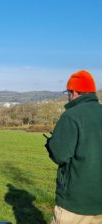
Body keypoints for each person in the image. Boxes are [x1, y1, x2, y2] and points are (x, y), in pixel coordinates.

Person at [45, 70, 102, 224]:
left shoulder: (71, 116)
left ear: (74, 92)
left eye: (68, 92)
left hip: (75, 204)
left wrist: (51, 144)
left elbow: (60, 155)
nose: (68, 96)